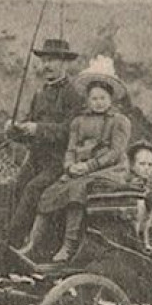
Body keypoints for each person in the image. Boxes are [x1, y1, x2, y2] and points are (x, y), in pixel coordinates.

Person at [25, 59, 133, 263]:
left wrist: (89, 166)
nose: (98, 102)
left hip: (109, 172)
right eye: (94, 98)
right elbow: (71, 149)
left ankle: (69, 245)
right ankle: (33, 244)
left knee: (77, 190)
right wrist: (70, 166)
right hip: (80, 171)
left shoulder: (119, 122)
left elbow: (115, 153)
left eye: (102, 98)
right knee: (48, 193)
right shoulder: (78, 121)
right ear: (88, 100)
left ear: (110, 99)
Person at [8, 39, 85, 255]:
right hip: (35, 159)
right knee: (15, 186)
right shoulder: (39, 95)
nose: (47, 65)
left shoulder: (74, 96)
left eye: (52, 60)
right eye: (44, 60)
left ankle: (14, 245)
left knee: (33, 189)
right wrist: (15, 130)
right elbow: (29, 131)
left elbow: (70, 131)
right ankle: (17, 237)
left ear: (65, 63)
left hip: (58, 162)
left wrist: (38, 128)